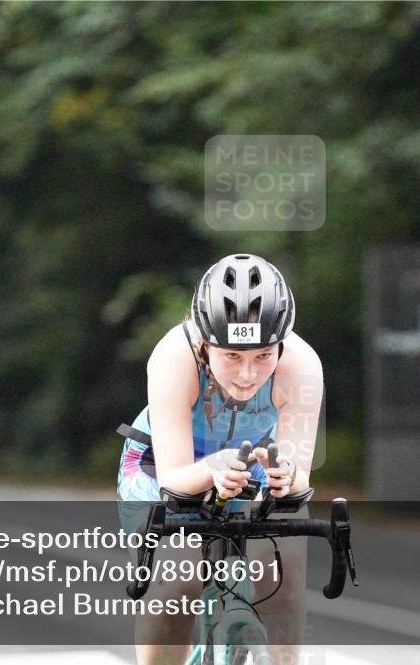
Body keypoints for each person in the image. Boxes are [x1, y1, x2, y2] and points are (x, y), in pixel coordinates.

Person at [116, 254, 323, 665]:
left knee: (285, 571)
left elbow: (298, 476)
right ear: (203, 345)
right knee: (177, 581)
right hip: (164, 462)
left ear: (281, 344)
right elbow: (174, 478)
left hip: (253, 459)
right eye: (231, 356)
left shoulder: (302, 364)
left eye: (264, 355)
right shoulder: (173, 356)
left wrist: (287, 479)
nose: (248, 374)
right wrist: (211, 470)